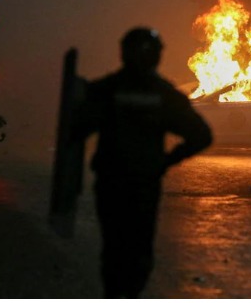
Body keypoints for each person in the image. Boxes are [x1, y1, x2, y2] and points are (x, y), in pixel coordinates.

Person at [76, 27, 213, 298]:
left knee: (114, 249)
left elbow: (77, 128)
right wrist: (166, 161)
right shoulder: (163, 95)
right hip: (143, 185)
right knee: (138, 250)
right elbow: (202, 135)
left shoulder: (107, 89)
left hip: (111, 183)